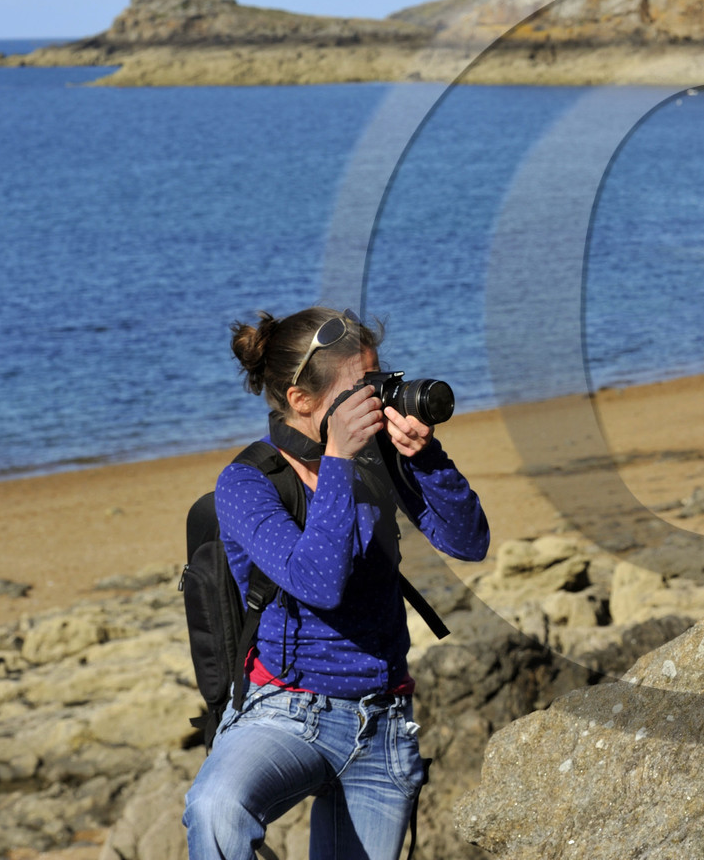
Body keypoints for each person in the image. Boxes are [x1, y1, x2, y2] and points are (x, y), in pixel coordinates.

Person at [184, 307, 489, 860]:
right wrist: (340, 460)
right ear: (302, 400)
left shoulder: (379, 457)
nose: (377, 400)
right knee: (215, 806)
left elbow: (468, 542)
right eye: (362, 389)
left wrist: (425, 455)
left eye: (379, 381)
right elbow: (316, 581)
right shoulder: (246, 483)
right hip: (285, 710)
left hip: (383, 724)